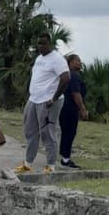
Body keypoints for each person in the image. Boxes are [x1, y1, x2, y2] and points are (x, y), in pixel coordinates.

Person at [14, 34, 70, 174]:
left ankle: (51, 166)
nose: (41, 46)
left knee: (48, 133)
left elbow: (65, 78)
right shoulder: (39, 58)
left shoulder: (57, 59)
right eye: (39, 43)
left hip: (48, 101)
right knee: (30, 131)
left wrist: (54, 98)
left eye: (43, 43)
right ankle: (28, 163)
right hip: (34, 99)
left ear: (49, 43)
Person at [58, 53, 89, 169]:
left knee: (67, 132)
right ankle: (65, 159)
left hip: (64, 107)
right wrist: (82, 109)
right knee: (69, 133)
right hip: (69, 108)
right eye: (77, 60)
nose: (80, 63)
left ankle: (64, 156)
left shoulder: (68, 74)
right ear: (70, 62)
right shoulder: (73, 76)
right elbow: (76, 94)